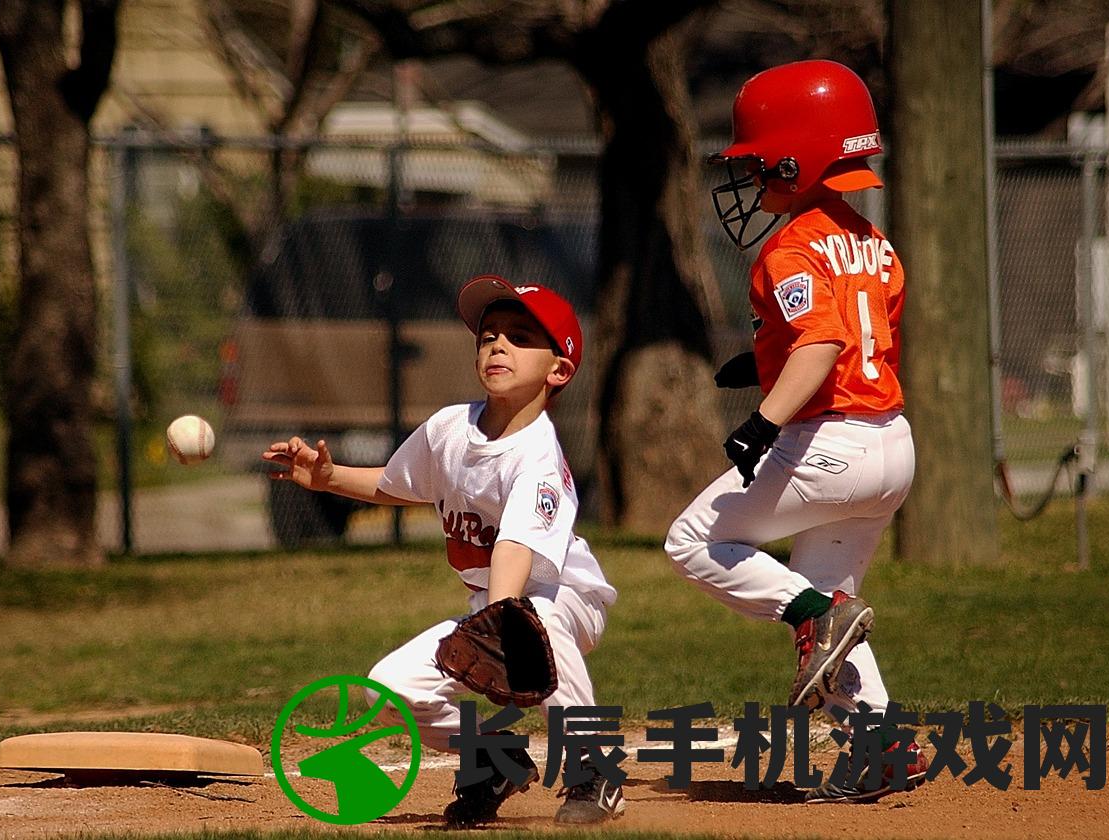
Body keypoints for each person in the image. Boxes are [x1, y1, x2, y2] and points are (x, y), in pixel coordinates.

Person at [263, 275, 624, 826]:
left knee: (538, 615)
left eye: (520, 336)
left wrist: (499, 618)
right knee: (388, 689)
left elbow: (514, 550)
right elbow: (396, 483)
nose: (498, 344)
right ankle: (497, 759)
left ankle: (594, 769)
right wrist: (329, 477)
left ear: (559, 370)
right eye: (489, 336)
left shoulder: (538, 459)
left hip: (565, 595)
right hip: (495, 602)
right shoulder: (449, 429)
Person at [663, 59, 928, 804]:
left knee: (692, 541)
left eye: (758, 164)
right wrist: (766, 359)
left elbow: (822, 345)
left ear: (798, 159)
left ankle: (821, 615)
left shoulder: (790, 247)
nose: (751, 181)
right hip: (890, 444)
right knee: (824, 591)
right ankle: (880, 747)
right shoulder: (872, 240)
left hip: (829, 447)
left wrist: (762, 419)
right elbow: (854, 334)